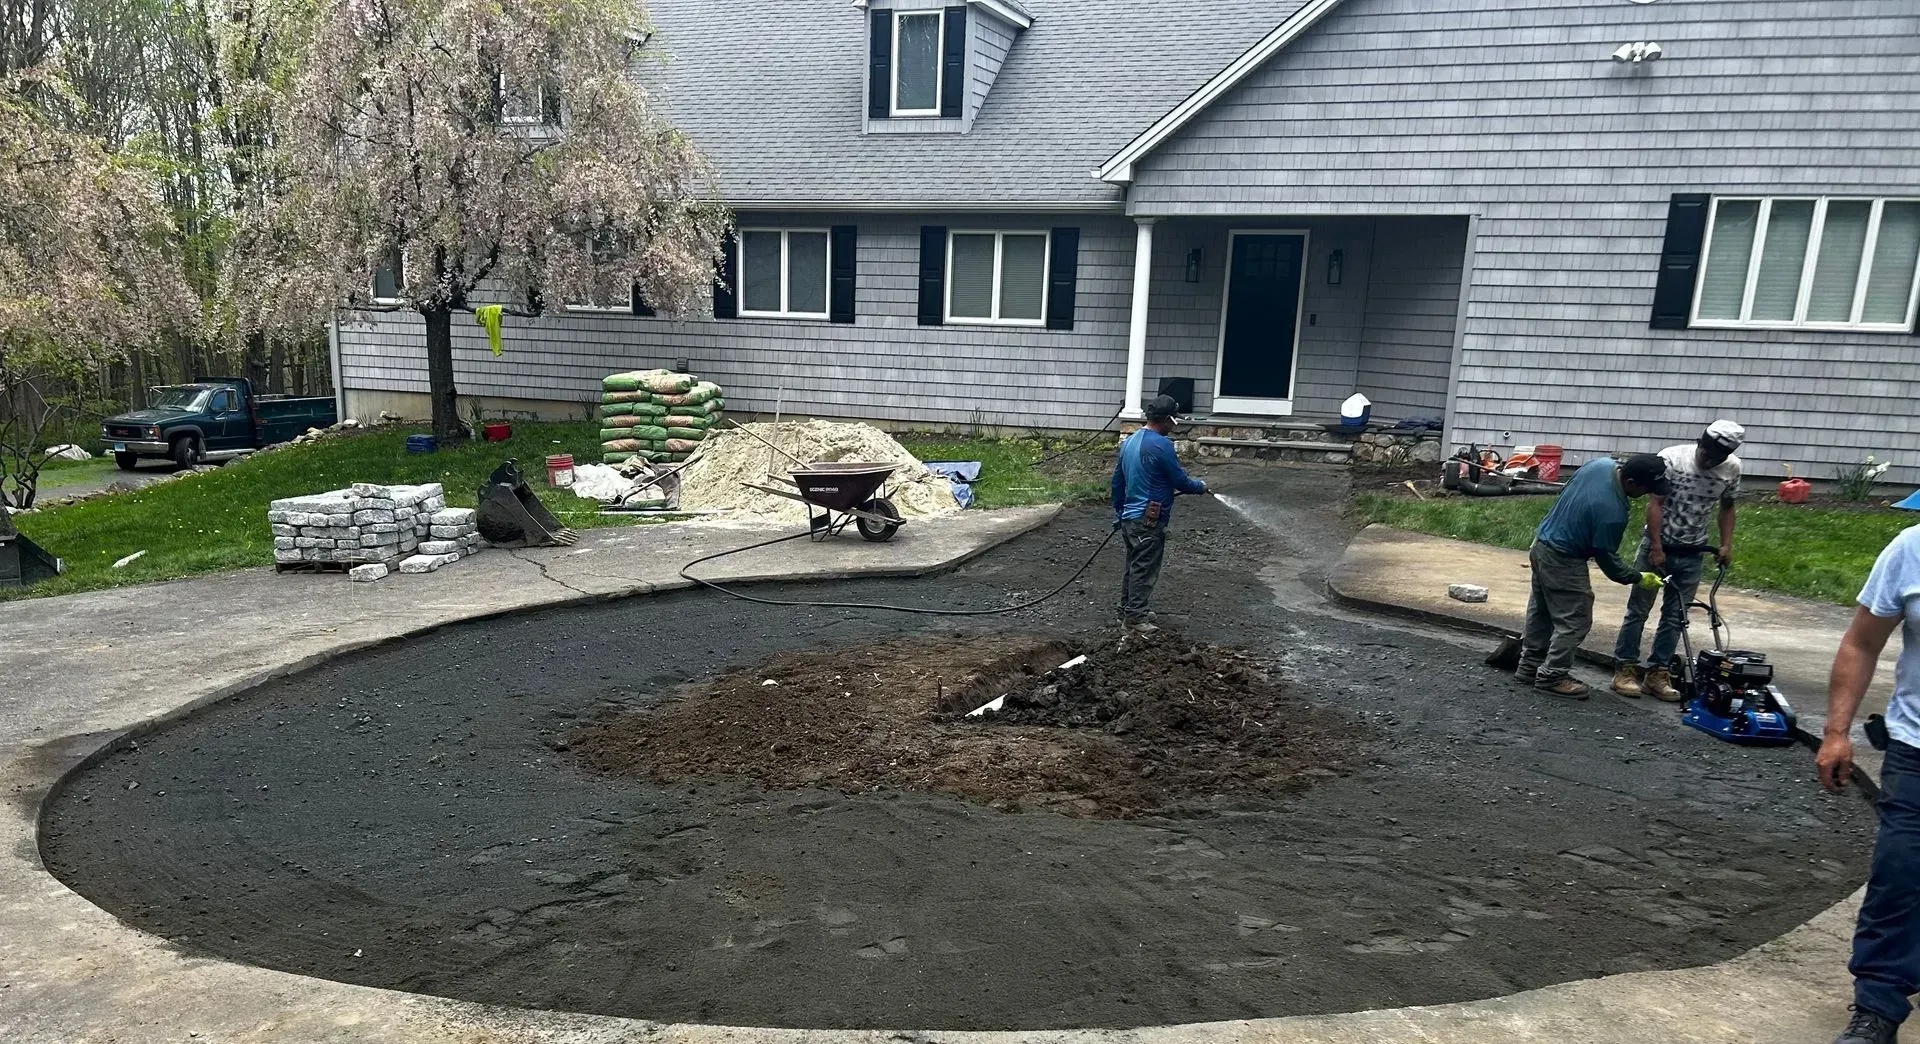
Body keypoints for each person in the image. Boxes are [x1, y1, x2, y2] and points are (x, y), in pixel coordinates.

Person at [1820, 525, 1920, 1044]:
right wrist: (1837, 731)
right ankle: (1879, 1004)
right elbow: (1861, 643)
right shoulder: (1912, 548)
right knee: (1900, 874)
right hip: (1917, 749)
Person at [1516, 453, 1670, 698]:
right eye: (1647, 489)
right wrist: (1638, 577)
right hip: (1564, 557)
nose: (1648, 494)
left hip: (1542, 543)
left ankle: (1529, 667)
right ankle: (1552, 675)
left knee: (1543, 610)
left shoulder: (1600, 465)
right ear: (1631, 483)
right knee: (1575, 620)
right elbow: (1607, 559)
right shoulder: (1612, 512)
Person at [1612, 421, 1745, 701]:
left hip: (1694, 550)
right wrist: (1657, 546)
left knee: (1676, 617)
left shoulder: (1732, 469)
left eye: (1716, 458)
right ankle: (1625, 668)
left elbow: (1728, 507)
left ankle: (1658, 672)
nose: (1709, 461)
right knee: (1638, 609)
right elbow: (1655, 504)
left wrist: (1725, 545)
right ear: (1700, 443)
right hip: (1658, 547)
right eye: (1706, 453)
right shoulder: (1672, 459)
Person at [1112, 395, 1207, 632]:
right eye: (1173, 421)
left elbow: (1117, 482)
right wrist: (1200, 486)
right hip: (1148, 518)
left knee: (1134, 564)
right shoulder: (1161, 445)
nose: (1175, 426)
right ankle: (1135, 618)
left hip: (1131, 517)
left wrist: (1119, 512)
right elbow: (1180, 481)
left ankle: (1128, 609)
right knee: (1144, 567)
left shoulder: (1129, 442)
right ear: (1166, 419)